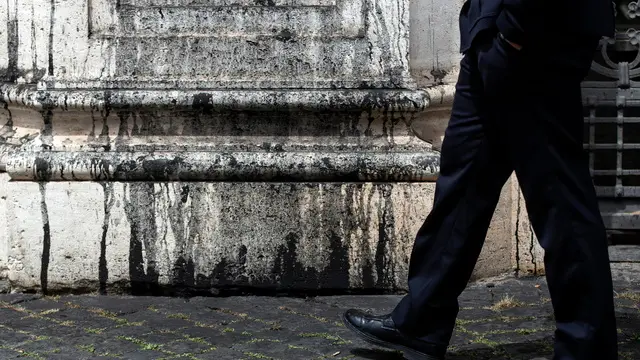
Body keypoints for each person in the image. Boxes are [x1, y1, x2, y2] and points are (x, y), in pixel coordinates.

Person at [341, 0, 618, 359]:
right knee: (463, 185)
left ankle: (587, 348)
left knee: (561, 202)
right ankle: (421, 321)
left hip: (533, 37)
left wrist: (517, 31)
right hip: (495, 37)